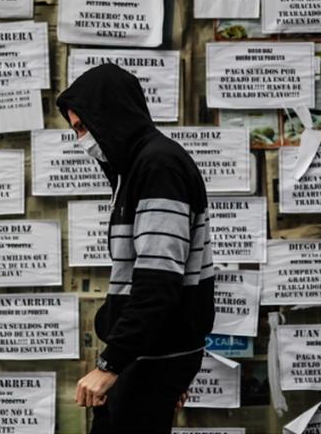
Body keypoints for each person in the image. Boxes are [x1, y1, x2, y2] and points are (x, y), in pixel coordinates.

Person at [56, 64, 215, 434]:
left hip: (151, 355)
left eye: (84, 127)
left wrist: (110, 365)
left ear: (110, 115)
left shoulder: (158, 166)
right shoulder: (137, 168)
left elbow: (158, 281)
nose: (82, 139)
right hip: (149, 355)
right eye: (75, 130)